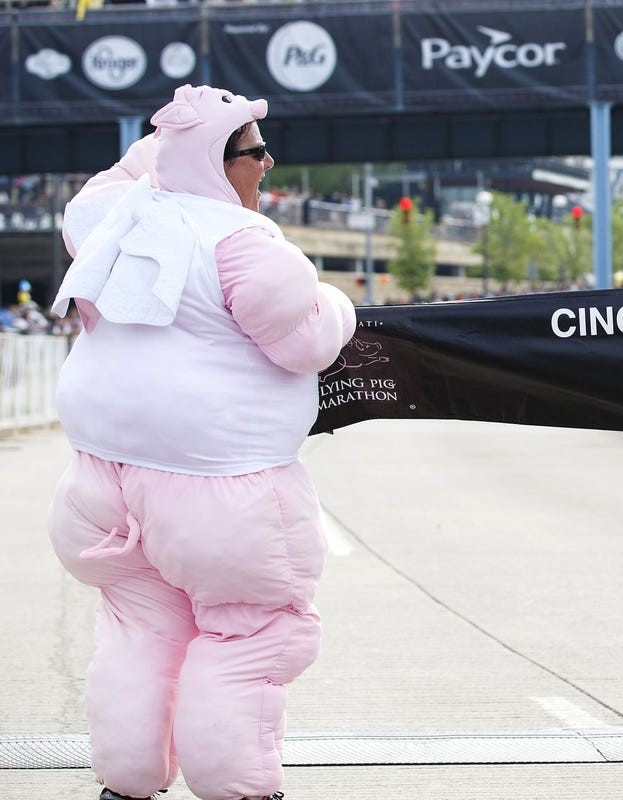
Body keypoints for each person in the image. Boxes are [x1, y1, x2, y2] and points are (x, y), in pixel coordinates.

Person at [45, 85, 356, 800]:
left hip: (99, 487)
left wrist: (172, 144)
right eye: (255, 152)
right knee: (252, 636)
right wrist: (340, 304)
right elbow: (308, 340)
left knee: (138, 630)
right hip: (221, 494)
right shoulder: (241, 245)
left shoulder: (112, 221)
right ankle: (235, 786)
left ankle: (127, 780)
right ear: (218, 163)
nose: (268, 164)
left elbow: (123, 174)